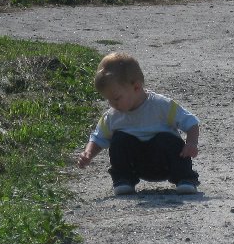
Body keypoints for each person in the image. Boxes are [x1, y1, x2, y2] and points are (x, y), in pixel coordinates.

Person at [77, 52, 201, 195]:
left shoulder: (161, 105)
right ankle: (124, 179)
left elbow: (191, 122)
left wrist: (191, 143)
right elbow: (98, 138)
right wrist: (88, 153)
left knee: (167, 139)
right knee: (119, 139)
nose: (112, 104)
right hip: (136, 165)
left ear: (136, 87)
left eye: (116, 98)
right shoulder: (112, 116)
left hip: (165, 162)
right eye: (108, 100)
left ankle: (185, 178)